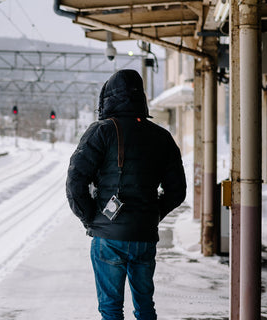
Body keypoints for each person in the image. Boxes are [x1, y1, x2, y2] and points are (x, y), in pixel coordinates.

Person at [66, 69, 187, 320]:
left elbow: (75, 183)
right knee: (145, 307)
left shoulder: (100, 132)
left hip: (109, 237)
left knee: (111, 310)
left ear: (107, 98)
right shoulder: (161, 136)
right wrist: (152, 214)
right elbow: (177, 191)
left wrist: (93, 219)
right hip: (144, 236)